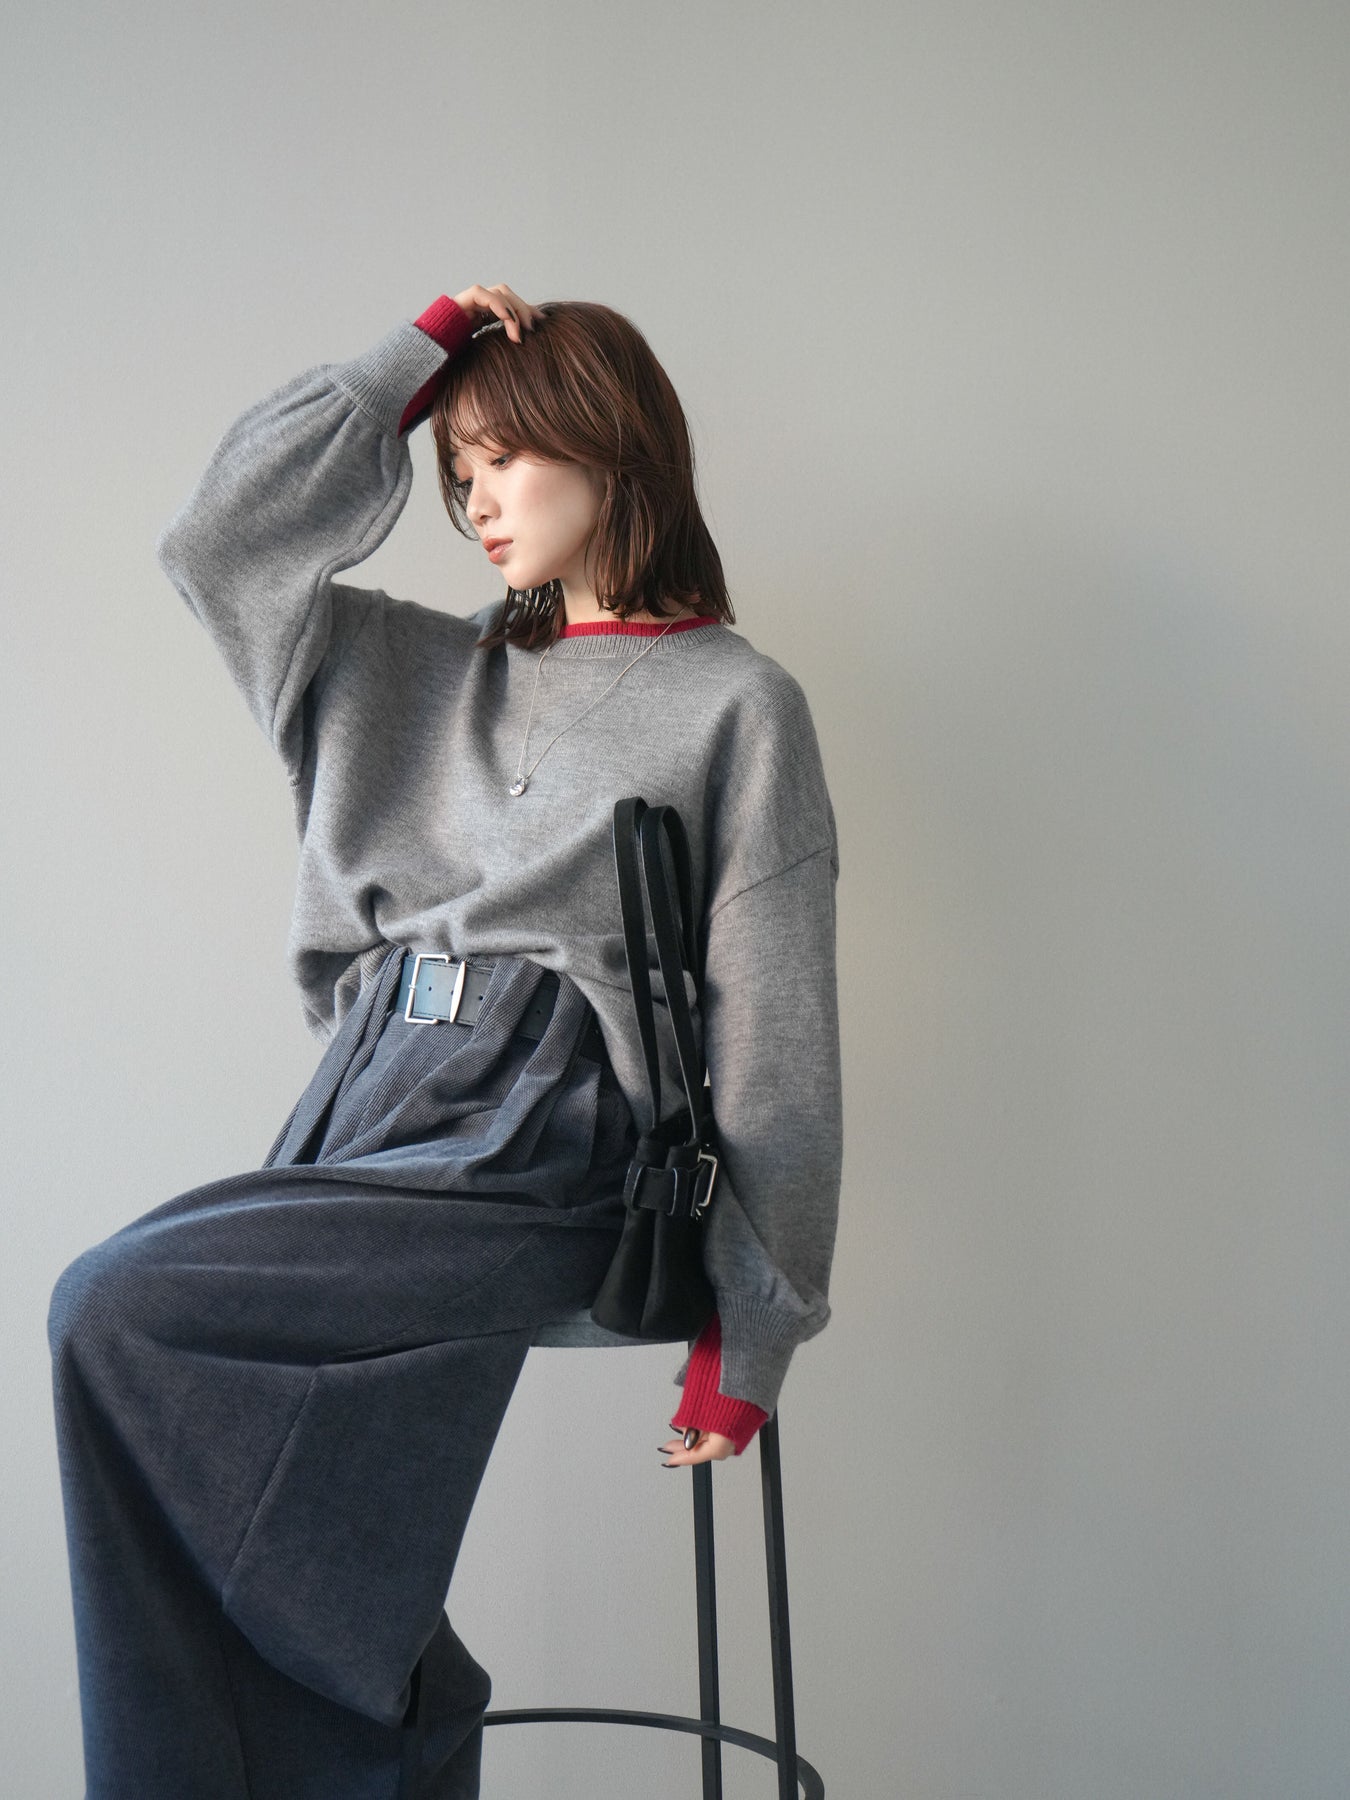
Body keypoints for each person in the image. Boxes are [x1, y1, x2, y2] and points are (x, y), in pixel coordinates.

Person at [46, 283, 843, 1798]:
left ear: (610, 444)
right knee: (264, 1455)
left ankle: (388, 1724)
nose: (472, 500)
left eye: (504, 458)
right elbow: (218, 543)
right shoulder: (402, 668)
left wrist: (755, 1330)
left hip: (543, 1124)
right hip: (367, 1098)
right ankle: (401, 1712)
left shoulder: (737, 705)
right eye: (454, 468)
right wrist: (401, 363)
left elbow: (778, 1030)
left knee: (114, 1306)